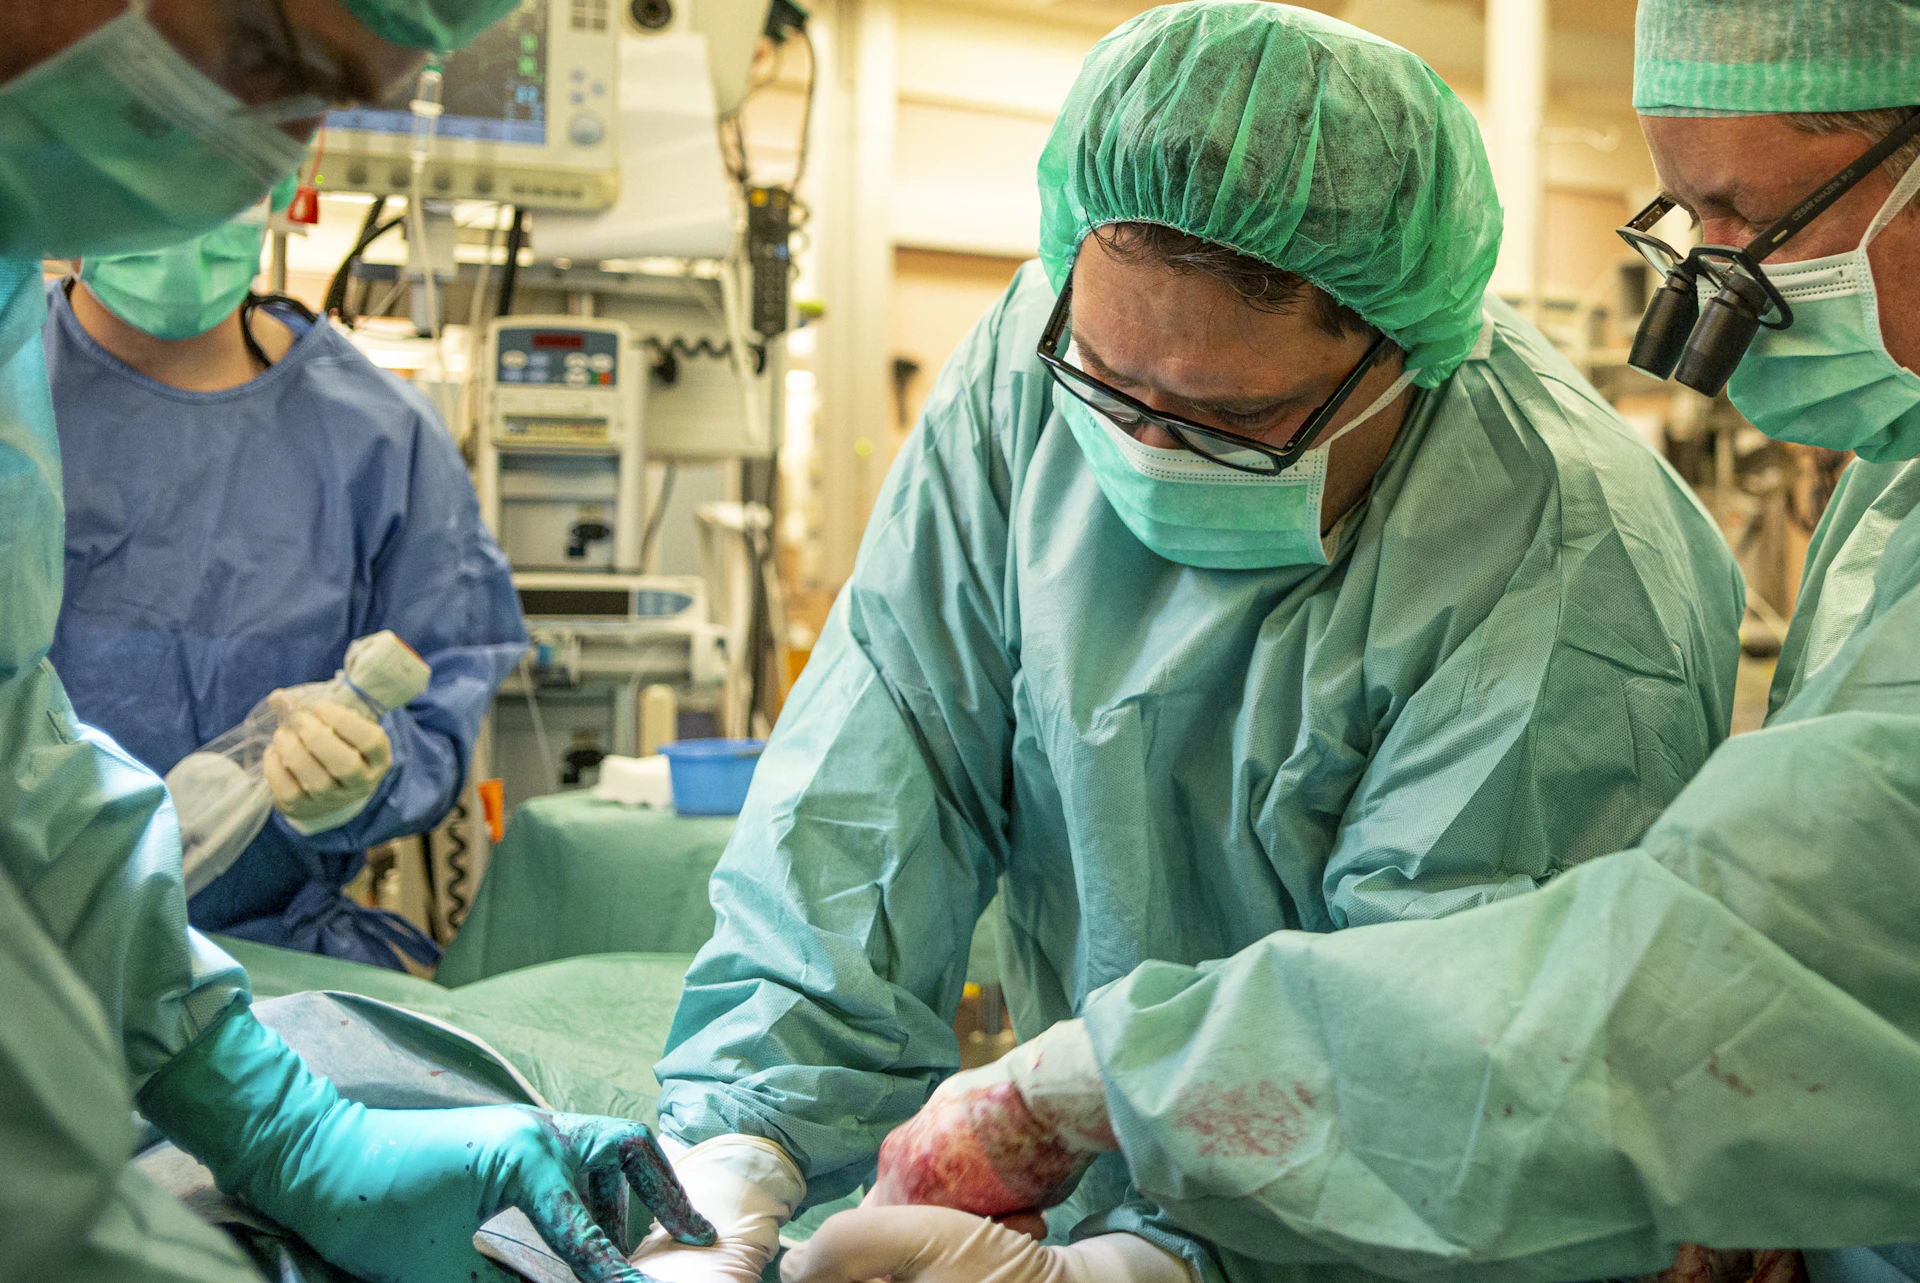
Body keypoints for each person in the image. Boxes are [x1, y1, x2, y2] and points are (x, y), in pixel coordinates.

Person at [780, 3, 1920, 1283]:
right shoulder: (1039, 362)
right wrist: (747, 1142)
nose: (1147, 447)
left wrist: (1134, 1184)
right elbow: (875, 780)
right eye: (1680, 219)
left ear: (1407, 354)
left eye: (1235, 416)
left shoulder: (1561, 552)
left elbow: (1618, 1023)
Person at [0, 2, 711, 1281]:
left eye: (309, 116)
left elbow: (23, 776)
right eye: (271, 59)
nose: (249, 159)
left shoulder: (367, 433)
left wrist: (287, 1127)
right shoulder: (32, 375)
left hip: (229, 961)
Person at [45, 179, 527, 970]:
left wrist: (365, 776)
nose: (178, 183)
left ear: (285, 165)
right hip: (29, 973)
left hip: (277, 973)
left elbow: (441, 702)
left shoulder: (377, 438)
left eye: (217, 149)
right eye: (145, 140)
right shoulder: (13, 401)